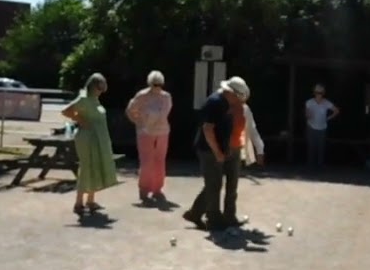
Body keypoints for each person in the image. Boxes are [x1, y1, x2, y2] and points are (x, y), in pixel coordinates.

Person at [183, 76, 250, 234]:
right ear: (231, 93)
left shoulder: (225, 102)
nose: (238, 101)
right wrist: (217, 152)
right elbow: (208, 129)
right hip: (208, 150)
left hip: (218, 148)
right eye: (237, 97)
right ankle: (213, 219)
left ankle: (195, 213)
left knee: (214, 184)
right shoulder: (215, 102)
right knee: (214, 185)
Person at [60, 73, 119, 217]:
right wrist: (80, 119)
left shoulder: (95, 100)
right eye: (99, 88)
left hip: (98, 137)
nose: (101, 91)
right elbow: (66, 111)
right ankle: (78, 202)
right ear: (93, 86)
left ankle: (90, 201)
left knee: (95, 166)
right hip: (87, 137)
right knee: (86, 167)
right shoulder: (84, 98)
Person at [125, 70, 173, 204]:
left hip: (162, 131)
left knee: (160, 161)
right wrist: (138, 122)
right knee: (147, 161)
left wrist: (145, 118)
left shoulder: (166, 96)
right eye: (154, 84)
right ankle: (144, 189)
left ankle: (157, 188)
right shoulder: (142, 95)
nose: (157, 87)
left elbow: (164, 113)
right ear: (150, 83)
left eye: (159, 84)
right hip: (145, 132)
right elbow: (130, 110)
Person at [303, 84, 339, 166]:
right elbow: (307, 113)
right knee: (311, 148)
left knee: (321, 148)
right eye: (317, 92)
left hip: (322, 128)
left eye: (320, 93)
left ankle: (320, 167)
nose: (319, 95)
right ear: (314, 93)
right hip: (311, 127)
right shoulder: (309, 102)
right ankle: (310, 167)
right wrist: (308, 115)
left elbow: (336, 110)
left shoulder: (326, 103)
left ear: (323, 93)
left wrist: (328, 118)